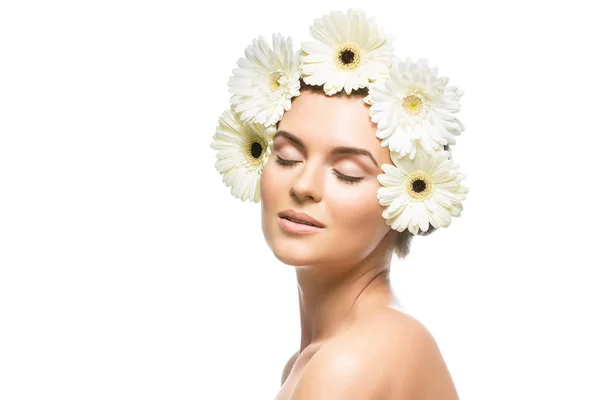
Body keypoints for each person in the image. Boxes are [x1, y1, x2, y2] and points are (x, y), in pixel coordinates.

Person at [211, 9, 467, 399]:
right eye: (286, 157)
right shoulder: (317, 358)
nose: (304, 185)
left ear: (409, 198)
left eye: (347, 172)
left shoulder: (354, 360)